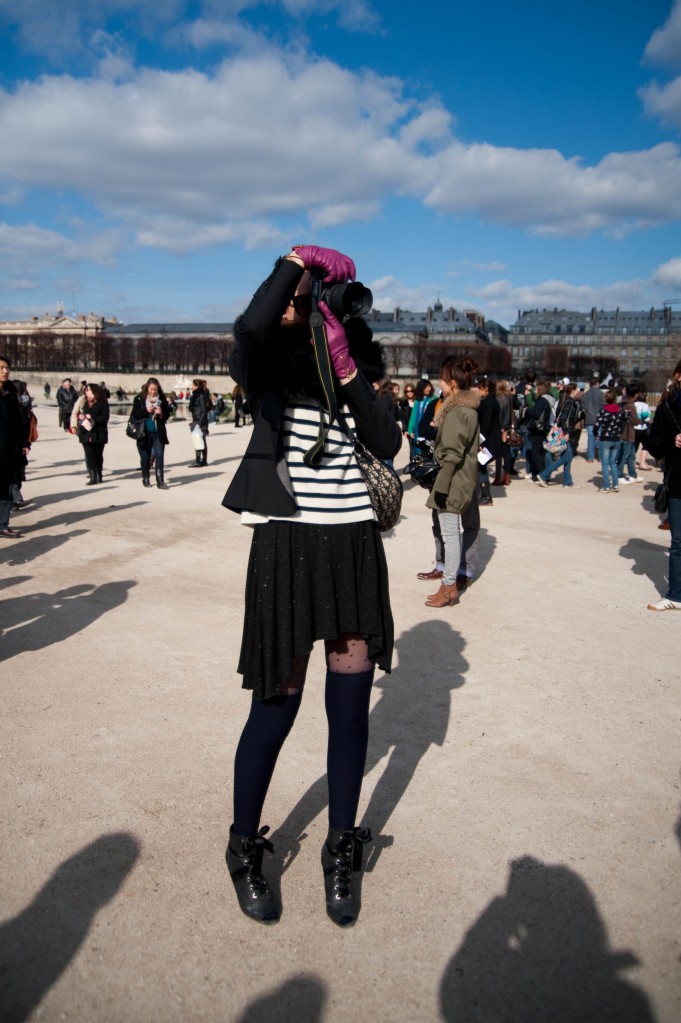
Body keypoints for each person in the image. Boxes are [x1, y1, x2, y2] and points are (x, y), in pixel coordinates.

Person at [221, 245, 401, 927]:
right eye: (299, 298)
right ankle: (243, 843)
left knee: (351, 705)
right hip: (287, 542)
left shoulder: (347, 361)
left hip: (351, 540)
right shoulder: (264, 363)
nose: (308, 306)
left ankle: (339, 846)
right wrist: (293, 259)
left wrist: (346, 363)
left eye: (316, 296)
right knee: (278, 701)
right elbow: (247, 330)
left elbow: (386, 441)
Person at [423, 357, 480, 608]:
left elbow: (452, 454)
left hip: (452, 480)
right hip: (463, 478)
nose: (440, 383)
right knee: (452, 534)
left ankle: (449, 587)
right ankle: (447, 585)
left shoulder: (456, 412)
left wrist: (441, 487)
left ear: (453, 384)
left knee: (449, 535)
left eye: (443, 380)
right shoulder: (468, 410)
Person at [646, 360, 681, 611]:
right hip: (678, 480)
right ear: (678, 376)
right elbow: (654, 445)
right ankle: (676, 595)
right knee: (678, 542)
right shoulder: (668, 407)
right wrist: (673, 439)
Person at [0, 355, 27, 538]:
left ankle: (2, 525)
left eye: (7, 367)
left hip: (9, 450)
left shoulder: (11, 391)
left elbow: (19, 421)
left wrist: (24, 443)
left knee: (7, 487)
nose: (6, 371)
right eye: (2, 367)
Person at [130, 377, 171, 489]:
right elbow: (135, 414)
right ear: (147, 388)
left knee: (159, 455)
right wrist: (146, 411)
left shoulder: (161, 398)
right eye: (151, 389)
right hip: (144, 433)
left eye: (155, 390)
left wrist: (161, 412)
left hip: (158, 432)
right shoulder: (139, 399)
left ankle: (160, 480)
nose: (153, 392)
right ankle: (146, 478)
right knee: (145, 457)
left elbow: (167, 414)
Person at [593, 389, 630, 493]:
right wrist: (620, 429)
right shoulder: (620, 409)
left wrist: (596, 433)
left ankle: (606, 485)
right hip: (616, 438)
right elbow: (625, 421)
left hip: (605, 438)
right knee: (613, 463)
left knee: (605, 463)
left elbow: (597, 424)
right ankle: (615, 484)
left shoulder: (603, 410)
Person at [77, 383, 109, 485]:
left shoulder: (103, 404)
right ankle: (93, 476)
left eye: (89, 390)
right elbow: (81, 414)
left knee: (98, 455)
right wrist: (81, 418)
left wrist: (92, 416)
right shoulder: (85, 403)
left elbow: (105, 418)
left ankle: (99, 474)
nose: (87, 392)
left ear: (95, 392)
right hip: (86, 433)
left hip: (99, 433)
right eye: (86, 390)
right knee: (89, 455)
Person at [525, 381, 553, 482]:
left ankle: (543, 474)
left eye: (536, 389)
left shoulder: (542, 400)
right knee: (541, 453)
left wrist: (527, 411)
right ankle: (538, 474)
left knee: (536, 452)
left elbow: (536, 414)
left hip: (538, 429)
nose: (535, 391)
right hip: (545, 428)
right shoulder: (550, 399)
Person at [616, 384, 642, 484]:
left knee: (631, 455)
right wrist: (641, 420)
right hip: (627, 433)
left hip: (626, 433)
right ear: (635, 394)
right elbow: (634, 420)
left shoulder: (623, 402)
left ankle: (632, 475)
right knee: (624, 456)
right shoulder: (630, 405)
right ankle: (619, 475)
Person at [406, 379, 434, 457]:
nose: (429, 388)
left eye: (429, 386)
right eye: (426, 387)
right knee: (417, 452)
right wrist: (410, 429)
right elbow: (413, 415)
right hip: (418, 430)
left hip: (429, 430)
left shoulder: (433, 399)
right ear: (421, 388)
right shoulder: (418, 401)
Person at [188, 379, 211, 466]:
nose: (191, 387)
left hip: (199, 420)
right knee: (201, 440)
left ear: (196, 386)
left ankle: (198, 460)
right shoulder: (198, 395)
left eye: (192, 385)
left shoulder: (200, 396)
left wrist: (199, 423)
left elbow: (204, 410)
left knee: (197, 439)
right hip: (198, 419)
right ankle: (203, 460)